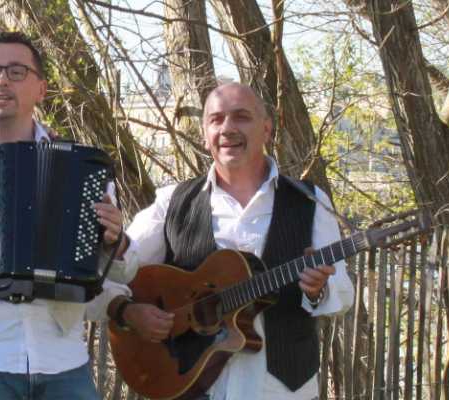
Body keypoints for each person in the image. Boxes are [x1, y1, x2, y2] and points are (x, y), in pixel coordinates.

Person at [0, 31, 163, 400]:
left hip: (63, 359)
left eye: (17, 71)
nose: (1, 80)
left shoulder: (81, 167)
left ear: (41, 90)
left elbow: (118, 272)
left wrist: (119, 241)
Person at [110, 83, 355, 400]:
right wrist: (128, 312)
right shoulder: (173, 202)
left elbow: (343, 294)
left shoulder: (308, 201)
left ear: (265, 129)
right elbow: (117, 269)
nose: (227, 128)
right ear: (204, 133)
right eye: (216, 119)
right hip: (190, 383)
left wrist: (318, 288)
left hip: (280, 389)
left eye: (241, 117)